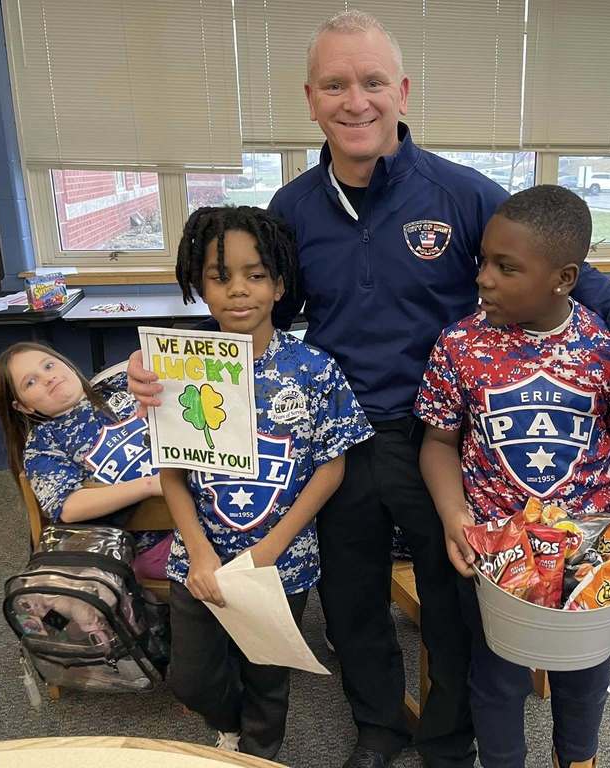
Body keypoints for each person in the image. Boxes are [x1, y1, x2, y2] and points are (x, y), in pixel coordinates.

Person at [128, 12, 610, 767]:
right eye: (334, 84)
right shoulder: (291, 211)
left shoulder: (459, 194)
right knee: (353, 599)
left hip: (441, 436)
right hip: (339, 439)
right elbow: (252, 315)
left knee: (453, 597)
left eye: (370, 82)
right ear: (310, 98)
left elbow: (568, 266)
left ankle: (448, 738)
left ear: (401, 90)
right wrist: (174, 374)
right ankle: (379, 730)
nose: (354, 100)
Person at [415, 185, 610, 768]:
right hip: (498, 548)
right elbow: (437, 442)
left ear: (563, 277)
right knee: (497, 677)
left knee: (584, 676)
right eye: (483, 261)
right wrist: (456, 516)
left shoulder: (609, 352)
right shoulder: (459, 346)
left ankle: (577, 758)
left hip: (591, 544)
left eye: (506, 267)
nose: (483, 278)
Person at [159, 205, 373, 759]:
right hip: (198, 559)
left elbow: (332, 465)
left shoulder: (312, 368)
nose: (237, 291)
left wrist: (270, 549)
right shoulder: (185, 364)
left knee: (267, 678)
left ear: (279, 286)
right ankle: (228, 725)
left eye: (255, 275)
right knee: (190, 678)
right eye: (219, 276)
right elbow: (172, 473)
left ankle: (258, 754)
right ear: (198, 285)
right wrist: (202, 555)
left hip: (281, 559)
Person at [0, 341, 171, 580]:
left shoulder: (118, 386)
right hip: (153, 544)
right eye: (30, 382)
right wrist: (149, 485)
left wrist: (141, 359)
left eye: (49, 366)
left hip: (207, 507)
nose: (48, 378)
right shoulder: (44, 443)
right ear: (23, 406)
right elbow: (69, 507)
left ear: (67, 365)